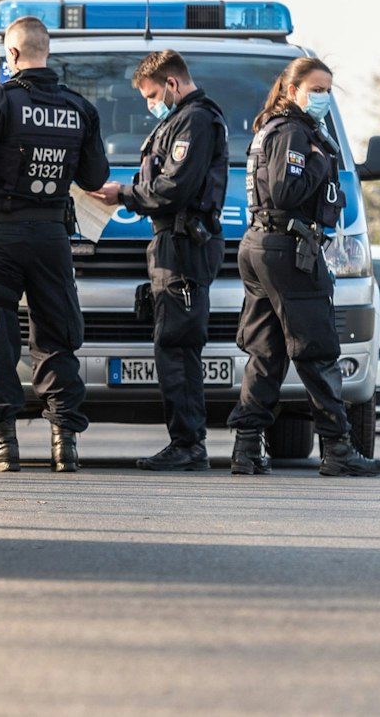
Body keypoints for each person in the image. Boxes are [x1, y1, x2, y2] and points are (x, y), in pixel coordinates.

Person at [0, 15, 107, 472]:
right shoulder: (79, 108)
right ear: (48, 52)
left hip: (0, 233)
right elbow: (95, 177)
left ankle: (3, 443)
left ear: (12, 55)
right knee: (56, 336)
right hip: (53, 236)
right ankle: (65, 445)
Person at [229, 57, 380, 478]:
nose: (324, 97)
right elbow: (283, 190)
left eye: (329, 89)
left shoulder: (269, 129)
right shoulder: (295, 132)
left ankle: (245, 449)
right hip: (288, 249)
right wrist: (317, 160)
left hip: (261, 246)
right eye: (316, 89)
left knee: (266, 352)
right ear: (291, 89)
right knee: (318, 351)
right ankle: (338, 449)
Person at [88, 49, 227, 471]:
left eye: (151, 95)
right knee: (172, 341)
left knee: (177, 343)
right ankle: (186, 441)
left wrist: (124, 195)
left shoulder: (195, 120)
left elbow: (173, 189)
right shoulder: (178, 120)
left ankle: (188, 445)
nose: (150, 104)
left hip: (184, 245)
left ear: (171, 83)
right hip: (172, 243)